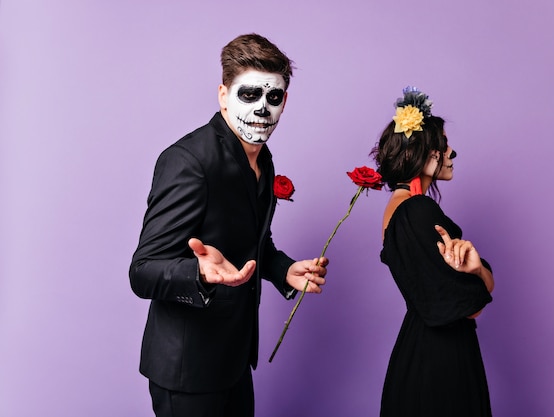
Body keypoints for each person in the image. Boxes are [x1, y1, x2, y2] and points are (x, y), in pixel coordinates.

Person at [129, 33, 328, 417]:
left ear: (285, 101)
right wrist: (198, 274)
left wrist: (285, 270)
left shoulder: (262, 160)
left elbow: (254, 242)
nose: (262, 109)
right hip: (188, 371)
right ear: (223, 95)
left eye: (273, 97)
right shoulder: (189, 162)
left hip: (234, 362)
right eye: (249, 95)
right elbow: (142, 270)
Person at [370, 86, 495, 416]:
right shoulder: (417, 211)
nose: (451, 153)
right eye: (441, 145)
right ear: (414, 154)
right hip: (442, 363)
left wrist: (477, 272)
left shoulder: (397, 209)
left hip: (419, 355)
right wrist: (479, 273)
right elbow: (470, 307)